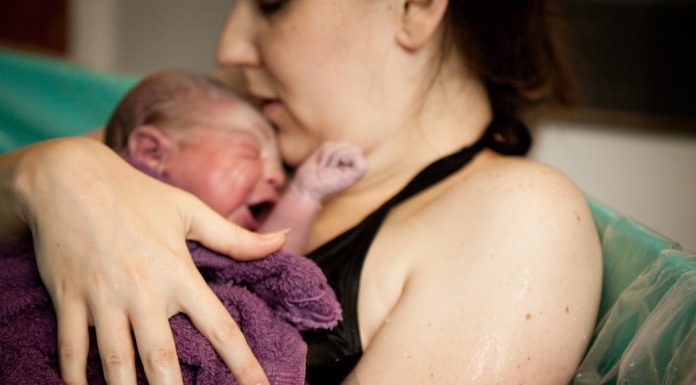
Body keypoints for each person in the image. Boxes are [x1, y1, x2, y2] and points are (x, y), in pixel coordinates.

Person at [0, 1, 603, 385]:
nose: (229, 46)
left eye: (271, 4)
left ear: (416, 8)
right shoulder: (230, 117)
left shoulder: (514, 218)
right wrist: (53, 171)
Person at [104, 70, 366, 254]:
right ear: (153, 154)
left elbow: (273, 265)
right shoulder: (103, 222)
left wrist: (304, 194)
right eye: (252, 151)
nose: (277, 177)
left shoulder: (231, 253)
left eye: (280, 167)